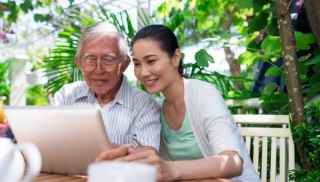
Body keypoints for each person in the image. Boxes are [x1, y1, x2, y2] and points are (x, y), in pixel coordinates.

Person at [97, 25, 260, 182]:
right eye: (137, 64)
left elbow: (233, 162)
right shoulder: (156, 108)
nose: (143, 72)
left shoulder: (203, 94)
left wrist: (172, 169)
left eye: (151, 61)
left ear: (175, 58)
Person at [53, 22, 161, 150]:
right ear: (79, 62)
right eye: (90, 59)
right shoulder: (66, 95)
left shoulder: (144, 105)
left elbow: (146, 160)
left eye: (108, 59)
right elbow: (49, 142)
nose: (99, 70)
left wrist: (83, 148)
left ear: (124, 64)